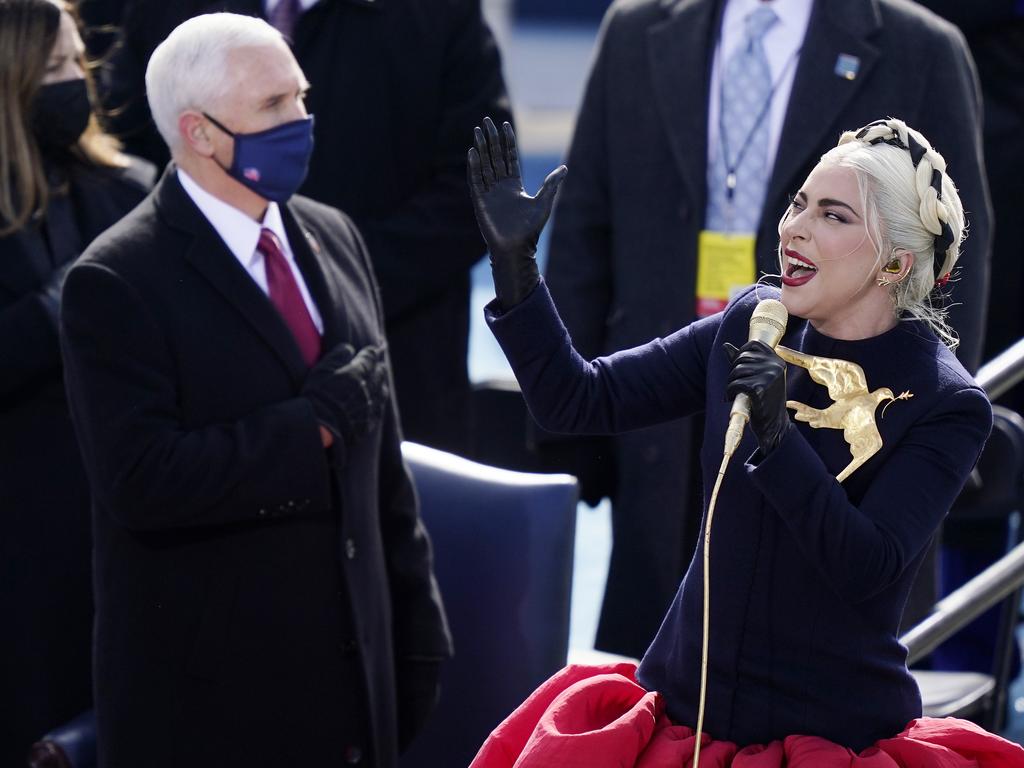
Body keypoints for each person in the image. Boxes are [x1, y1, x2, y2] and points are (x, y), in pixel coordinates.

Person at [464, 116, 1023, 764]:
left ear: (895, 262)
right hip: (680, 717)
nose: (794, 229)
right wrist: (515, 268)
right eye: (798, 204)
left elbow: (866, 565)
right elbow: (578, 398)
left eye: (833, 216)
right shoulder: (751, 321)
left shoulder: (946, 402)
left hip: (826, 740)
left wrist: (778, 435)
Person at [541, 0, 993, 659]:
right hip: (666, 420)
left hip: (831, 430)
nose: (799, 224)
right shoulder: (636, 29)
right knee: (662, 673)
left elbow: (956, 271)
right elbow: (583, 224)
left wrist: (926, 448)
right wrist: (570, 445)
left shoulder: (921, 47)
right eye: (800, 208)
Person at [59, 13, 451, 767]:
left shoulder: (335, 235)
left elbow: (384, 470)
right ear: (198, 134)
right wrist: (309, 435)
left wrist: (418, 635)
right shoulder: (114, 283)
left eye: (300, 99)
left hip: (354, 699)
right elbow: (141, 481)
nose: (300, 121)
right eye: (273, 107)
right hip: (213, 713)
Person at [100, 0, 514, 456]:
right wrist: (214, 279)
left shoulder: (437, 13)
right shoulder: (167, 12)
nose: (297, 121)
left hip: (398, 372)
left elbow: (477, 187)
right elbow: (119, 159)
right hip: (206, 372)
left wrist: (325, 282)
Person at [0, 1, 154, 763]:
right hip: (20, 557)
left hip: (114, 528)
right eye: (54, 69)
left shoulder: (126, 189)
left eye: (77, 64)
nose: (76, 83)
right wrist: (63, 302)